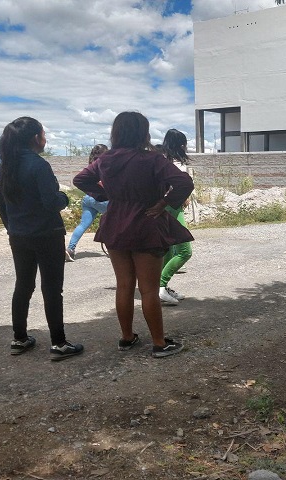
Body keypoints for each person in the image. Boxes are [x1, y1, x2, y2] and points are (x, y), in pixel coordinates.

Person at [73, 111, 194, 358]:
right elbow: (184, 182)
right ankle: (159, 344)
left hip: (115, 225)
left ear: (116, 133)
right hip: (146, 225)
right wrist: (164, 203)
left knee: (124, 285)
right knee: (149, 289)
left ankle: (127, 338)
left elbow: (80, 179)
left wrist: (106, 195)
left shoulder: (106, 159)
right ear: (143, 133)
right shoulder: (152, 159)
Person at [0, 117, 84, 360]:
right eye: (44, 134)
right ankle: (59, 344)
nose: (45, 139)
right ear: (36, 138)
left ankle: (19, 339)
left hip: (19, 236)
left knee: (23, 285)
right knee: (52, 289)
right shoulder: (39, 165)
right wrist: (64, 198)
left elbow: (3, 207)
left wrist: (13, 229)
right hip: (47, 235)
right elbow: (51, 202)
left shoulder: (5, 168)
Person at [157, 129, 193, 305]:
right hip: (172, 208)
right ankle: (160, 286)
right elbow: (180, 185)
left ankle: (162, 287)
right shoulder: (177, 162)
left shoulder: (161, 159)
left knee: (168, 251)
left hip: (165, 207)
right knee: (185, 251)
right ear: (181, 144)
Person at [66, 144, 109, 261]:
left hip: (88, 199)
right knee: (115, 220)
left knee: (83, 225)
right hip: (102, 199)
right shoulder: (104, 165)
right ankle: (116, 248)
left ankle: (70, 249)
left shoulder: (90, 165)